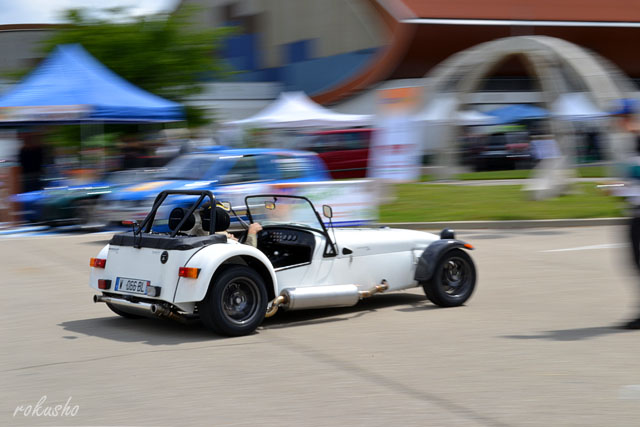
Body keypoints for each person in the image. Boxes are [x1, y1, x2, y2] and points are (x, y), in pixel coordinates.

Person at [611, 98, 640, 329]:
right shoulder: (633, 142)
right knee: (634, 263)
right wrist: (615, 187)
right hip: (635, 212)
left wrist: (618, 186)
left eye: (621, 118)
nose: (618, 123)